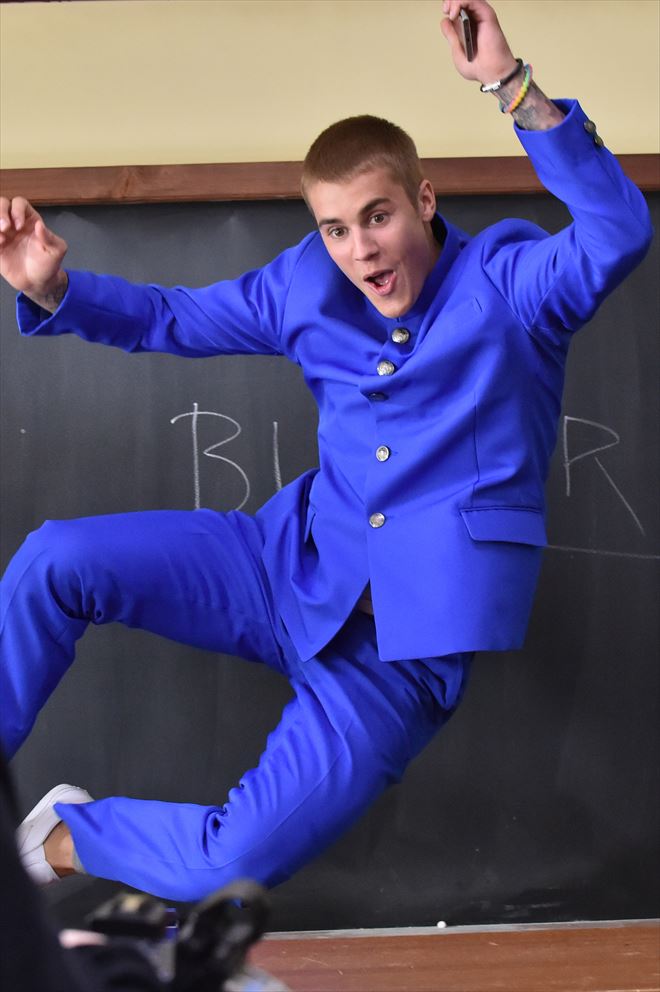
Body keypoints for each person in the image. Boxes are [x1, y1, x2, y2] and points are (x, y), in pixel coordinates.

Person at [0, 0, 652, 902]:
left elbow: (619, 231)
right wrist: (57, 289)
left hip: (395, 656)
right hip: (284, 566)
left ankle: (59, 839)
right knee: (55, 561)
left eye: (377, 218)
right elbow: (171, 317)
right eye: (336, 229)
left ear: (425, 200)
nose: (360, 251)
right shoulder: (307, 284)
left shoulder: (513, 289)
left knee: (226, 866)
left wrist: (512, 86)